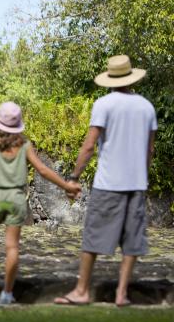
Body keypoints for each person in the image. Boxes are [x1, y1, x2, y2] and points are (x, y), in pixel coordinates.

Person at [55, 55, 157, 307]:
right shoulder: (147, 107)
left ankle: (81, 290)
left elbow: (89, 146)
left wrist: (74, 176)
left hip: (109, 183)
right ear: (131, 78)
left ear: (110, 78)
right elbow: (150, 151)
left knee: (92, 238)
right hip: (136, 184)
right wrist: (141, 176)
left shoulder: (104, 104)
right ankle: (121, 293)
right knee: (132, 241)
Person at [0, 102, 81, 306]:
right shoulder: (24, 144)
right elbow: (43, 170)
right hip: (16, 199)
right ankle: (7, 294)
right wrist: (66, 186)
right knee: (12, 247)